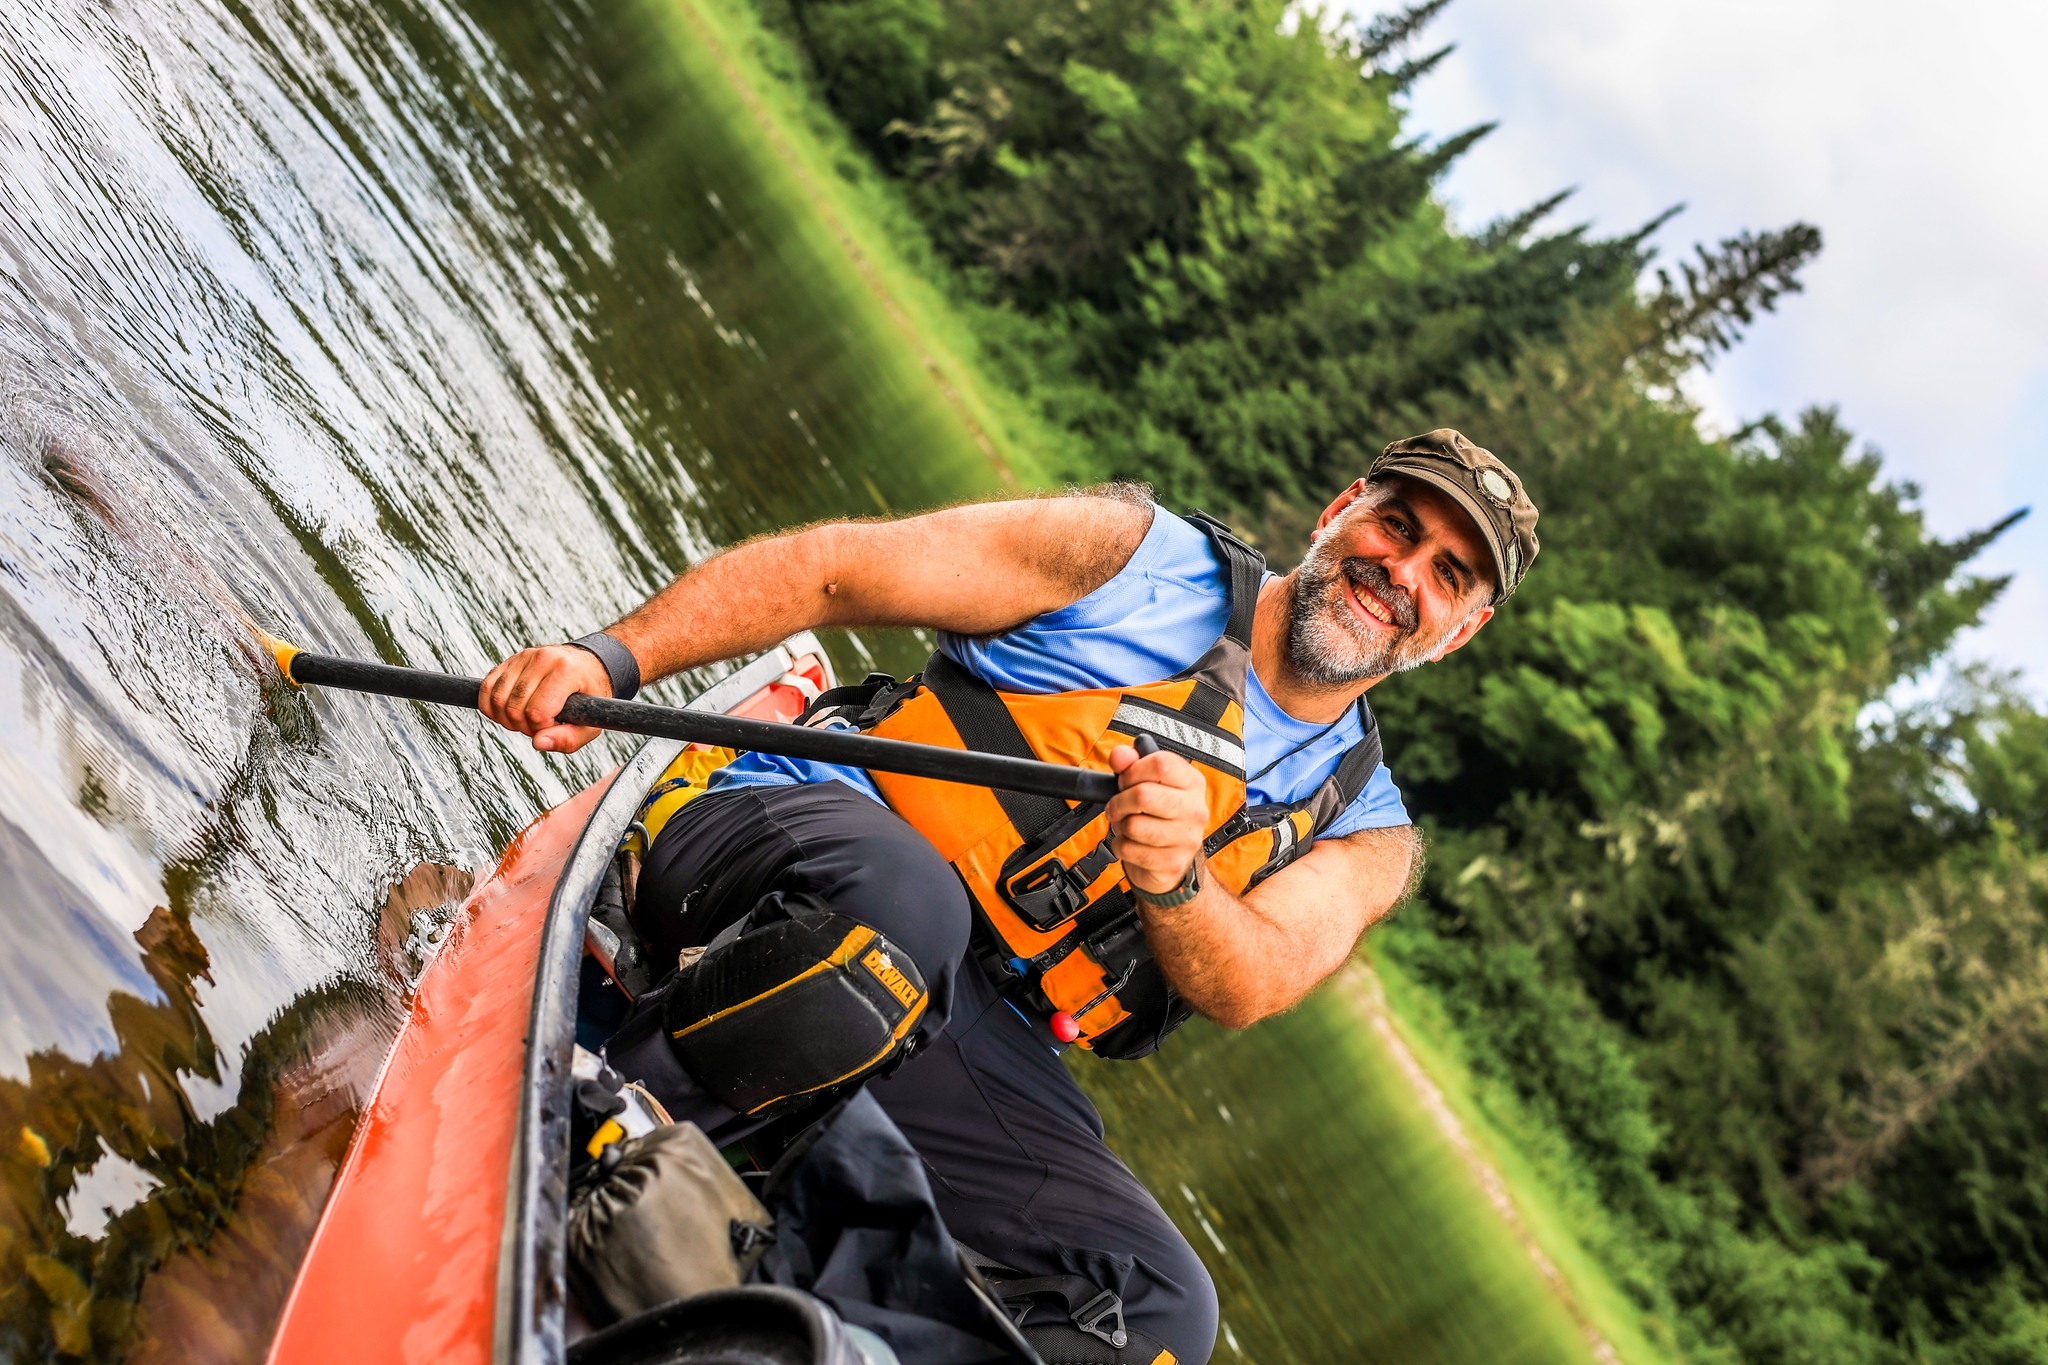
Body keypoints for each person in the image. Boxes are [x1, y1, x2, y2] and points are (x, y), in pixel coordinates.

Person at [481, 429, 1539, 1365]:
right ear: (1338, 512)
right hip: (770, 842)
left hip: (958, 1018)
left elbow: (1253, 977)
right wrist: (609, 658)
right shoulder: (1132, 556)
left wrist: (1177, 880)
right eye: (1393, 526)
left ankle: (794, 1332)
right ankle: (596, 1123)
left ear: (1458, 629)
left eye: (1444, 574)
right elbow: (834, 574)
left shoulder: (1369, 831)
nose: (1398, 570)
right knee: (906, 917)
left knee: (1163, 1309)